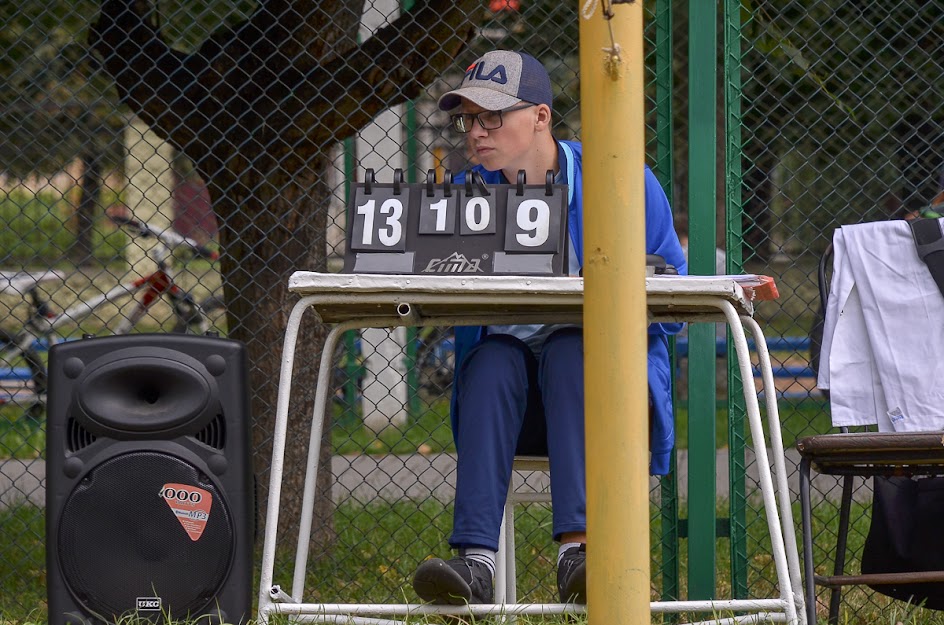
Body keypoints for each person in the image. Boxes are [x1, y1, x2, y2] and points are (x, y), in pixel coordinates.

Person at [411, 50, 687, 606]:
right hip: (507, 413)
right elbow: (426, 295)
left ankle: (580, 558)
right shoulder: (462, 196)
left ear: (540, 117)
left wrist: (610, 278)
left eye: (492, 116)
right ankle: (476, 567)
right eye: (468, 119)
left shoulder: (620, 180)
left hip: (599, 405)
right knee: (491, 358)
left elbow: (675, 303)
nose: (476, 132)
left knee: (567, 346)